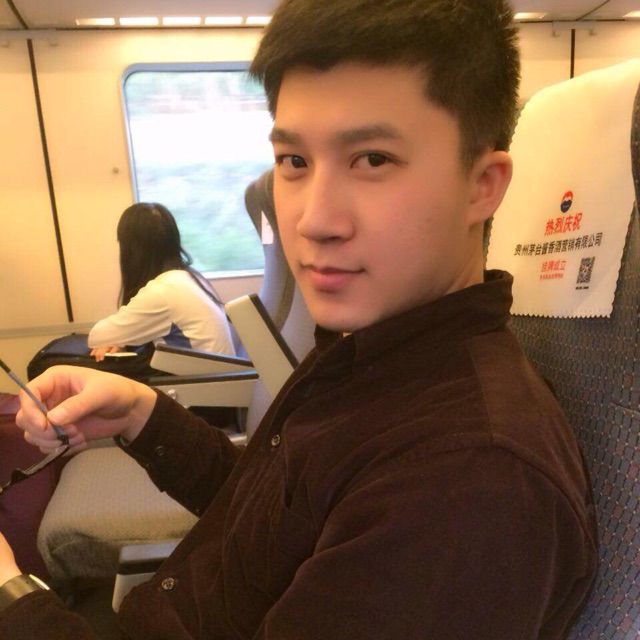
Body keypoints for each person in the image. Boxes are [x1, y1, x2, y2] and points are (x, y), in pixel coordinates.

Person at [0, 1, 598, 638]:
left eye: (372, 159)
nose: (313, 221)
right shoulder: (369, 349)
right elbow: (272, 525)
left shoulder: (469, 484)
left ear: (482, 184)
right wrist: (141, 415)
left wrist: (12, 595)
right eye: (294, 162)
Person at [88, 202, 235, 362]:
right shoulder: (192, 278)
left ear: (131, 250)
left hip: (202, 377)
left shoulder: (163, 291)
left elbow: (97, 336)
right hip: (219, 374)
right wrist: (121, 340)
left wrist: (119, 339)